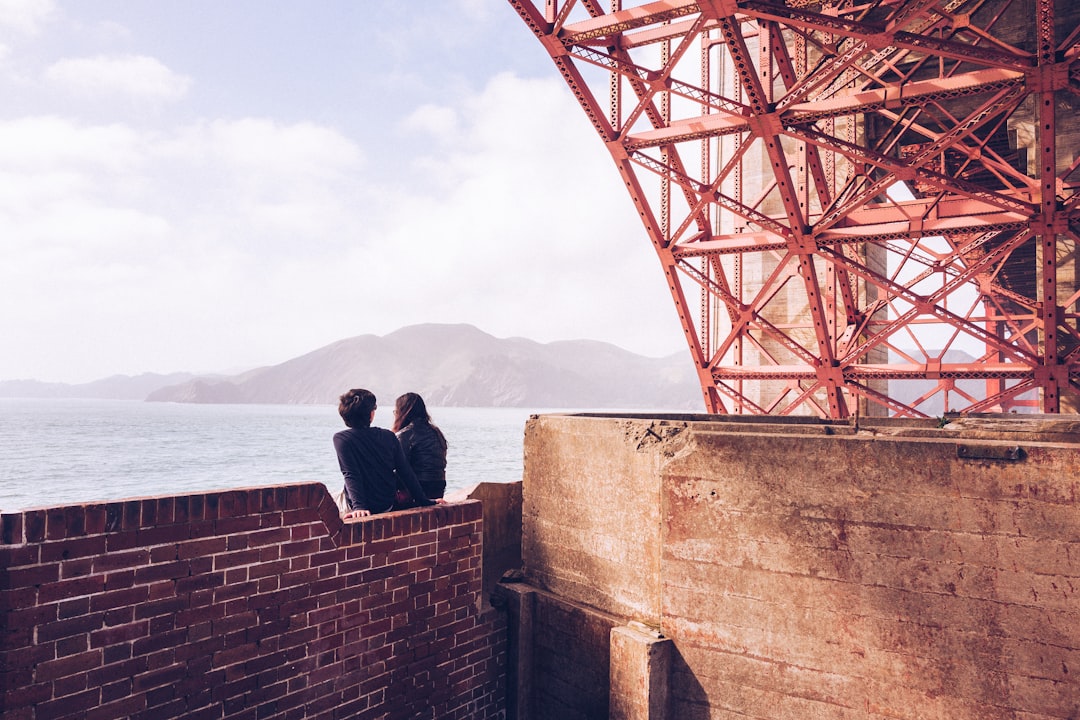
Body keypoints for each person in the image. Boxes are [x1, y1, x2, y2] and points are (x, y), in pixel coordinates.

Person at [333, 388, 433, 519]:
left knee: (331, 500)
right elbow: (405, 472)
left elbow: (351, 474)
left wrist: (360, 507)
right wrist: (424, 501)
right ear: (371, 414)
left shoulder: (341, 439)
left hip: (359, 505)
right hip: (386, 505)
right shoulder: (388, 436)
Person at [392, 392, 448, 500]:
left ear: (402, 412)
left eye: (396, 412)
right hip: (438, 488)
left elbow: (397, 466)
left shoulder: (405, 434)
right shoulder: (436, 432)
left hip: (415, 491)